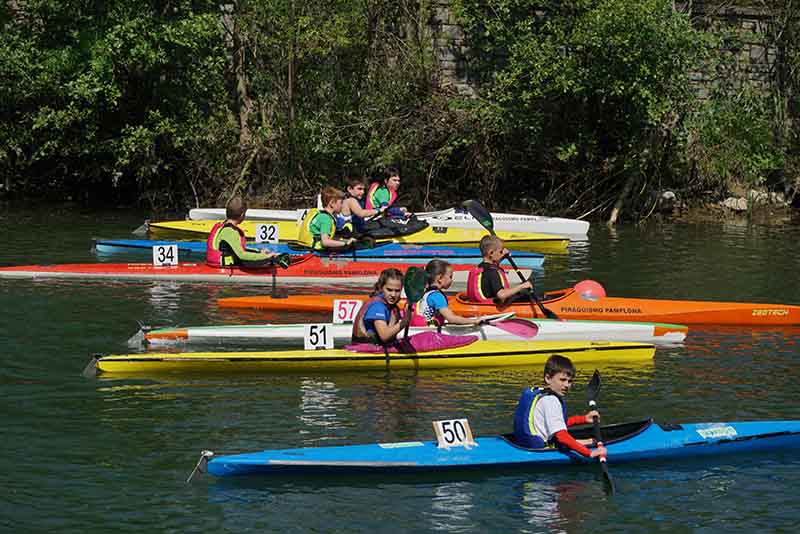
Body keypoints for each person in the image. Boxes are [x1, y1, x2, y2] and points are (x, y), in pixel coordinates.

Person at [513, 354, 608, 460]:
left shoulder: (542, 394)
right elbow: (562, 436)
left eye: (569, 381)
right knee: (565, 439)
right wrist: (590, 453)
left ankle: (585, 442)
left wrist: (584, 419)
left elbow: (555, 423)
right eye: (562, 380)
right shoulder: (551, 401)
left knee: (575, 439)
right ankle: (584, 443)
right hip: (541, 449)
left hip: (523, 443)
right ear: (548, 378)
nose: (566, 385)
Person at [206, 196, 291, 269]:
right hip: (225, 265)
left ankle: (273, 257)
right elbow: (242, 255)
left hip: (219, 261)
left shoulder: (225, 226)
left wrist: (259, 251)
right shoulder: (231, 232)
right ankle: (277, 261)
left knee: (264, 256)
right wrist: (266, 256)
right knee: (267, 259)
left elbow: (239, 249)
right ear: (242, 215)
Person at [409, 259, 483, 327]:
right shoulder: (437, 296)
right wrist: (474, 321)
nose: (452, 280)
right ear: (440, 278)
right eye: (450, 277)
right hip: (430, 332)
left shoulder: (425, 293)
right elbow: (451, 319)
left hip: (421, 328)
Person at [466, 235, 534, 304]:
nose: (502, 253)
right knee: (530, 295)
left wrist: (503, 256)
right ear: (491, 253)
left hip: (480, 304)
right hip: (491, 307)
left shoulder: (482, 267)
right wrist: (522, 286)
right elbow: (501, 295)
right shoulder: (492, 273)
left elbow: (493, 264)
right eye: (501, 251)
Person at [351, 268, 411, 344]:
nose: (393, 295)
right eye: (389, 290)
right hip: (364, 349)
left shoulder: (393, 307)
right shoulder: (377, 306)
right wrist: (404, 321)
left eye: (397, 291)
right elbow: (384, 336)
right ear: (381, 288)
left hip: (379, 347)